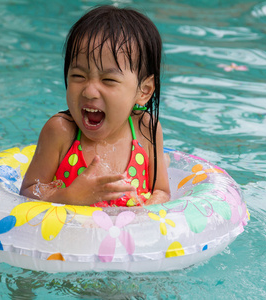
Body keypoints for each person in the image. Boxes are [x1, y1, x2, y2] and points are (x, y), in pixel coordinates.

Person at [20, 5, 170, 206]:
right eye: (78, 76)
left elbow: (161, 191)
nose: (89, 91)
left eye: (108, 80)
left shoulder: (146, 129)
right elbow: (28, 192)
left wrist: (144, 217)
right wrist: (69, 197)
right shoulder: (60, 132)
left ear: (144, 91)